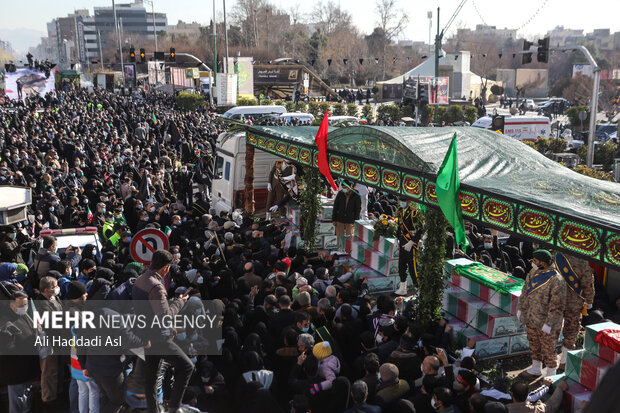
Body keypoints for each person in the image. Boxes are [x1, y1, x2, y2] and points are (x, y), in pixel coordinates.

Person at [132, 250, 192, 412]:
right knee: (187, 367)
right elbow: (165, 317)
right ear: (166, 268)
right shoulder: (157, 286)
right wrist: (179, 303)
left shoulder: (141, 279)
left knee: (151, 378)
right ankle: (174, 408)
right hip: (158, 337)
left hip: (145, 335)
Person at [518, 250, 566, 378]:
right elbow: (524, 293)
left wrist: (549, 323)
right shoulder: (533, 273)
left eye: (535, 261)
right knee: (534, 344)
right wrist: (520, 309)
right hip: (532, 318)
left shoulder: (556, 279)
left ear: (543, 263)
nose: (532, 263)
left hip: (547, 322)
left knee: (549, 350)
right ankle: (535, 369)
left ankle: (550, 375)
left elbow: (557, 305)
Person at [553, 252, 594, 370]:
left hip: (556, 301)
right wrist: (589, 301)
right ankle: (564, 361)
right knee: (571, 330)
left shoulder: (557, 257)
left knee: (552, 330)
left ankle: (549, 359)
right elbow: (587, 283)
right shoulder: (583, 262)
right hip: (574, 303)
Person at [395, 200, 424, 295]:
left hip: (411, 244)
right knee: (401, 266)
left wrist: (412, 242)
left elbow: (420, 231)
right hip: (403, 242)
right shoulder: (400, 211)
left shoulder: (414, 213)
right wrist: (396, 238)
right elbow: (400, 226)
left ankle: (418, 289)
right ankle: (403, 288)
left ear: (408, 201)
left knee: (413, 269)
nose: (401, 202)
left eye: (403, 200)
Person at [332, 180, 361, 250]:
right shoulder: (340, 194)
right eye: (343, 187)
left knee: (350, 237)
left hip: (350, 220)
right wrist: (334, 219)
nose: (344, 189)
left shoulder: (356, 195)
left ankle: (349, 251)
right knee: (339, 237)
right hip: (340, 219)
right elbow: (335, 207)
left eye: (345, 187)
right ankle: (339, 250)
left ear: (350, 187)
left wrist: (356, 220)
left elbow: (358, 209)